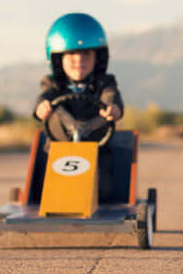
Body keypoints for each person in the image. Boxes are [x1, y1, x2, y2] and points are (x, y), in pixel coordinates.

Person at [33, 12, 124, 202]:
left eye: (86, 53)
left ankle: (94, 201)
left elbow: (111, 97)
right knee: (42, 185)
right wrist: (41, 108)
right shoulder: (52, 84)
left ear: (98, 57)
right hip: (57, 149)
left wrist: (112, 108)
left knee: (104, 188)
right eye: (71, 54)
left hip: (96, 148)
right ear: (58, 59)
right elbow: (43, 98)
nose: (79, 59)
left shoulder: (105, 83)